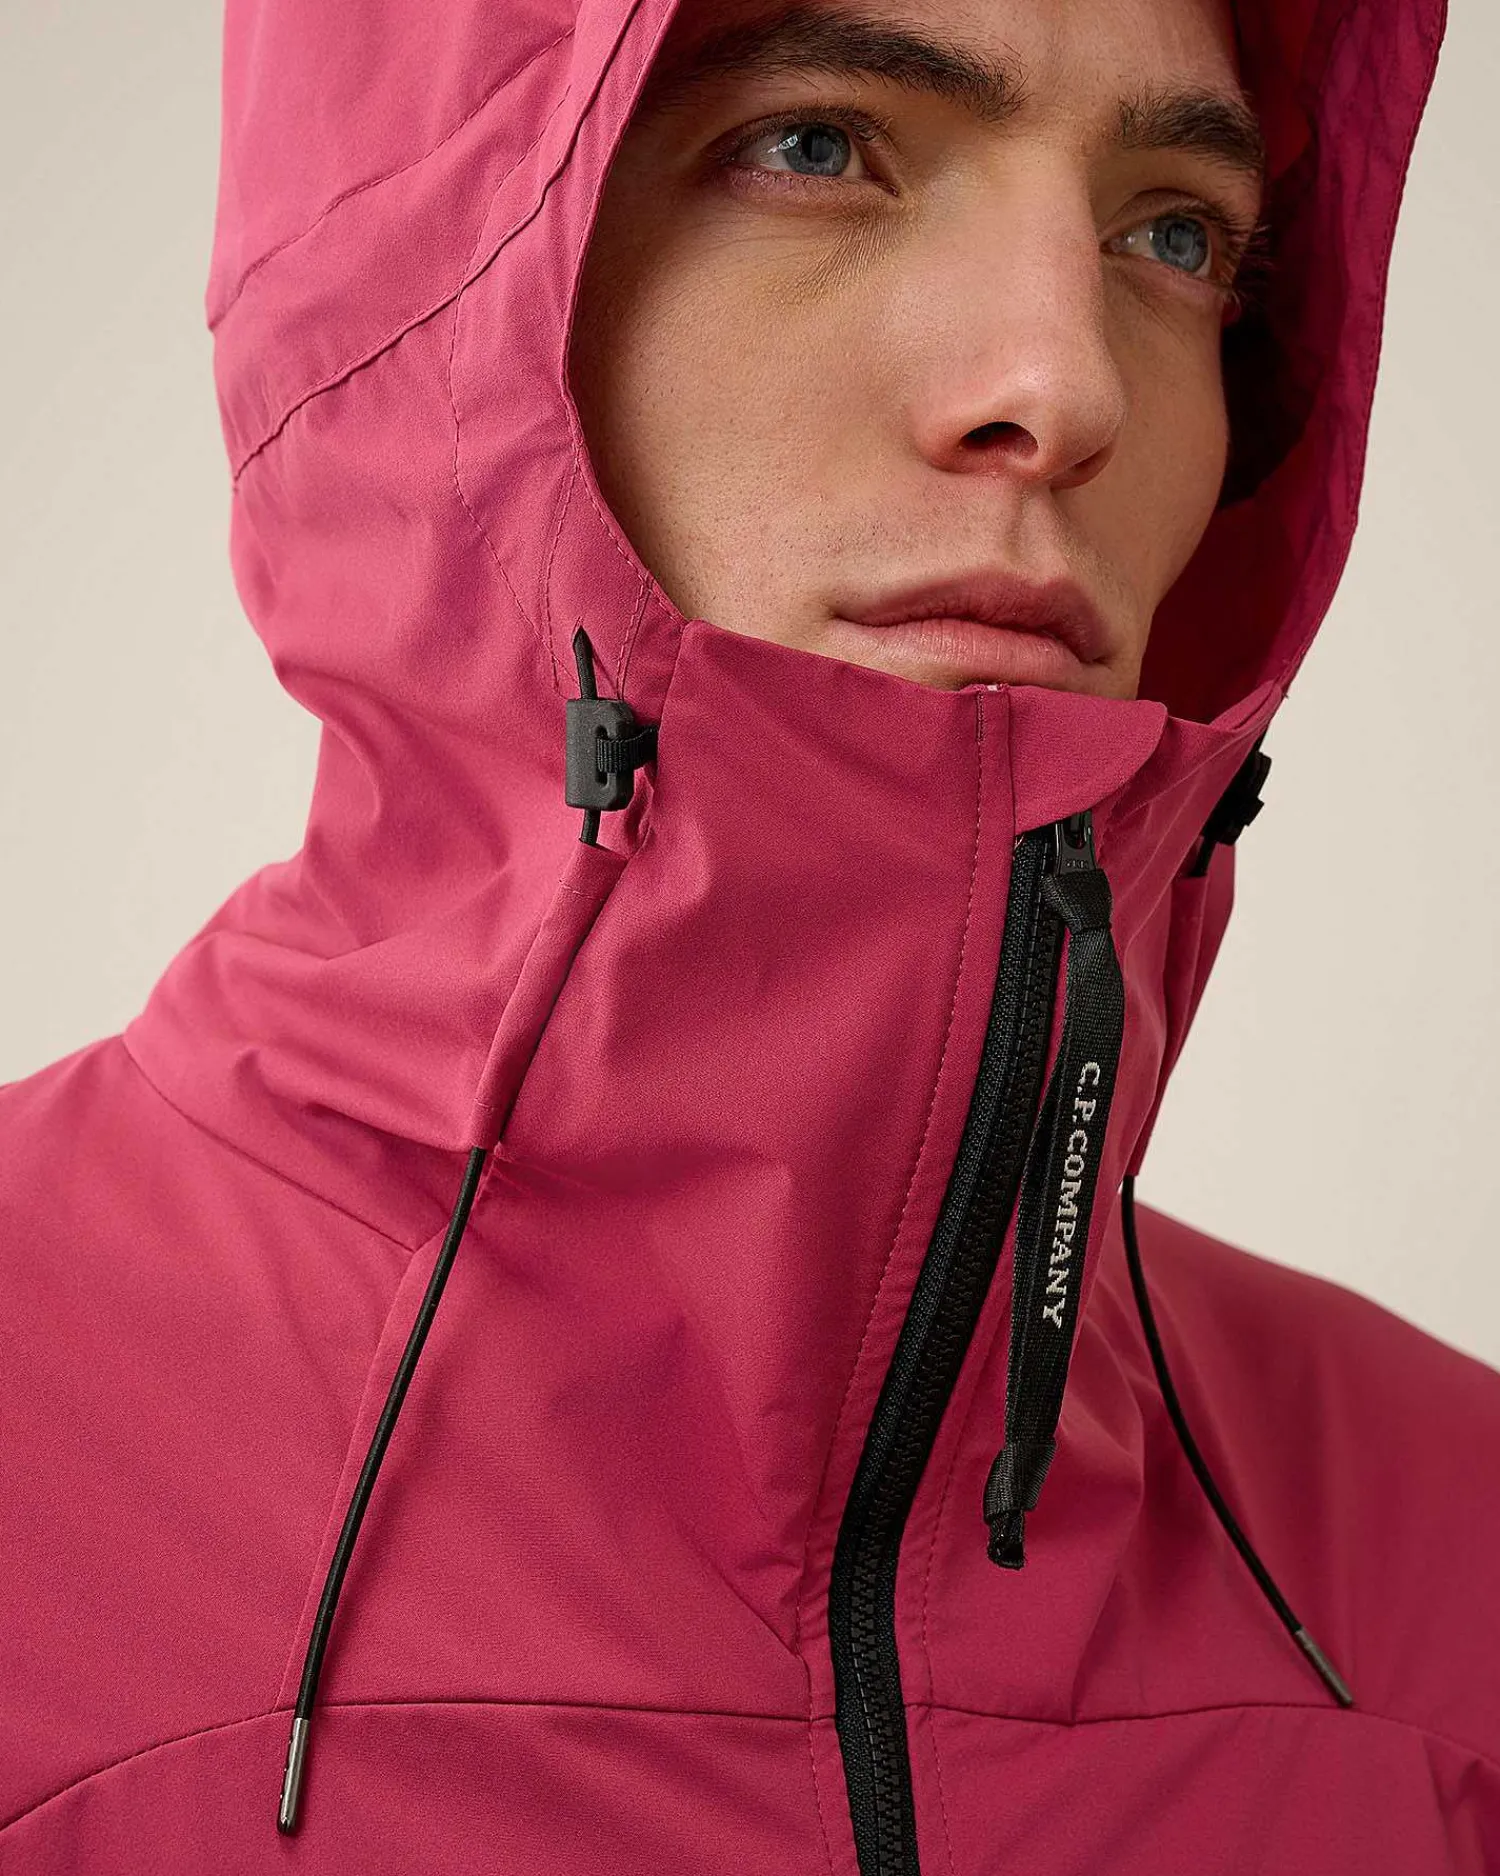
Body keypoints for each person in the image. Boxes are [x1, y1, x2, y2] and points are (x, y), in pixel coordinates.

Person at [1, 0, 1496, 1868]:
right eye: (816, 147)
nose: (1065, 389)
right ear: (439, 289)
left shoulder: (1456, 1544)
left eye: (1175, 232)